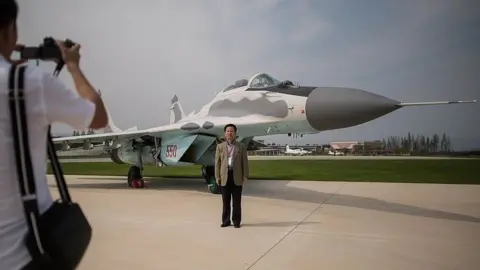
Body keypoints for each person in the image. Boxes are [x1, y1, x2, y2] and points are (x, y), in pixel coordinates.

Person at [0, 1, 108, 269]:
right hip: (23, 256)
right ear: (9, 32)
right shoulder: (28, 82)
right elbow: (97, 116)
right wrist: (72, 66)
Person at [215, 123, 249, 228]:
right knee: (225, 201)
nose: (230, 133)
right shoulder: (220, 147)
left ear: (235, 133)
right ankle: (225, 221)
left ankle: (236, 221)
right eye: (228, 131)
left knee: (236, 202)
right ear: (225, 134)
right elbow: (217, 163)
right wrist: (217, 176)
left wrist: (245, 175)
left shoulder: (241, 146)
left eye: (232, 131)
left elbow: (245, 162)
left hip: (237, 176)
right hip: (224, 176)